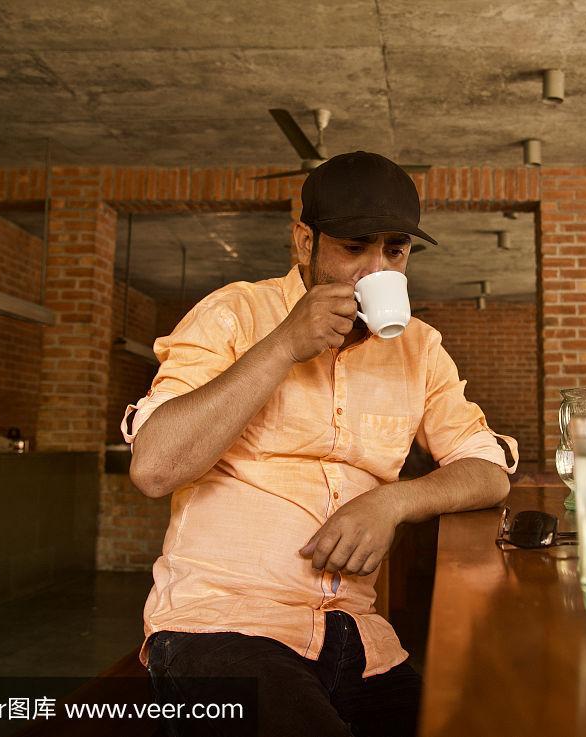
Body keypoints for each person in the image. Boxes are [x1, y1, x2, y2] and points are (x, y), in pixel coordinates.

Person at [121, 151, 518, 737]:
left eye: (395, 250)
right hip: (222, 629)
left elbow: (489, 468)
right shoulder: (233, 315)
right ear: (304, 242)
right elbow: (154, 468)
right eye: (354, 247)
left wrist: (393, 503)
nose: (375, 268)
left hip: (360, 638)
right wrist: (283, 344)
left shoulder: (419, 347)